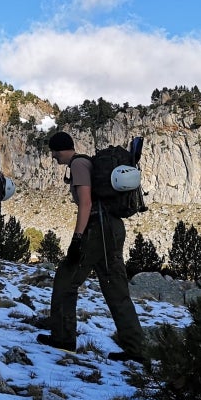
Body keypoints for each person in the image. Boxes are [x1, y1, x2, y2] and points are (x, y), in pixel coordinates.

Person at [38, 130, 146, 361]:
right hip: (113, 229)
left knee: (66, 280)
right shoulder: (87, 162)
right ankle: (136, 349)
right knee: (117, 290)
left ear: (58, 149)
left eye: (54, 152)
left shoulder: (78, 165)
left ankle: (63, 338)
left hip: (97, 230)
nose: (54, 157)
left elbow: (85, 203)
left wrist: (78, 238)